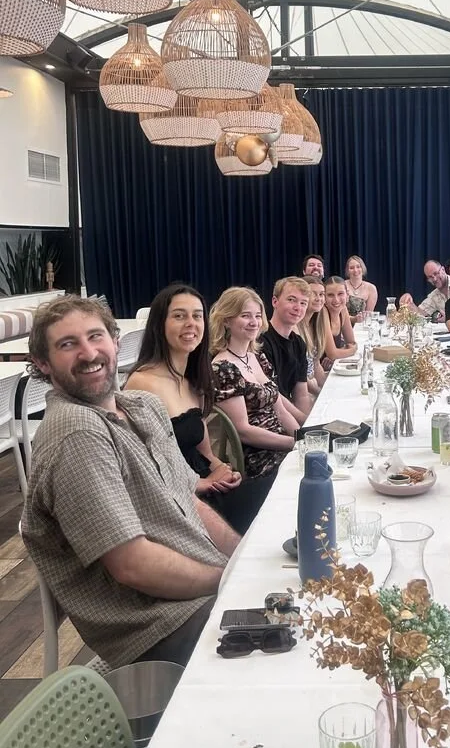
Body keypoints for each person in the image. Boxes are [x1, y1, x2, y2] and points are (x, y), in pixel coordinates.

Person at [20, 296, 238, 669]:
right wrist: (230, 580)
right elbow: (132, 565)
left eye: (95, 336)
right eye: (67, 344)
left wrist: (241, 557)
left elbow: (189, 498)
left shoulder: (142, 406)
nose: (88, 353)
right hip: (161, 629)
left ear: (116, 342)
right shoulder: (76, 432)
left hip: (200, 597)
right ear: (42, 363)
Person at [125, 284, 271, 536]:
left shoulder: (193, 378)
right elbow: (140, 469)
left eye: (196, 315)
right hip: (180, 505)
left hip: (207, 487)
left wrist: (218, 467)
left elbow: (202, 441)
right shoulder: (142, 383)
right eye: (179, 316)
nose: (190, 323)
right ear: (160, 324)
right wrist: (202, 484)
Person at [210, 287, 300, 489]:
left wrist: (303, 438)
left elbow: (281, 410)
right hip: (260, 457)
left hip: (283, 444)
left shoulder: (256, 356)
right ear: (226, 320)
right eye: (245, 316)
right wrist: (294, 445)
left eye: (258, 316)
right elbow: (244, 431)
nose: (254, 322)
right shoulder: (223, 368)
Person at [260, 276, 313, 419]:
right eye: (291, 300)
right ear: (274, 301)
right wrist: (304, 423)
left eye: (303, 303)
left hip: (287, 415)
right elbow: (272, 398)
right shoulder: (260, 341)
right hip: (267, 417)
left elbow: (301, 395)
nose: (298, 308)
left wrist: (309, 424)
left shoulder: (299, 343)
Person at [296, 275, 329, 394]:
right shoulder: (295, 328)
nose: (318, 298)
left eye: (321, 294)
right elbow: (300, 376)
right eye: (313, 294)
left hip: (313, 384)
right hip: (302, 391)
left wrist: (328, 389)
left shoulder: (315, 325)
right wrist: (321, 393)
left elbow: (316, 365)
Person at [322, 276, 358, 362]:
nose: (336, 300)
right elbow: (332, 354)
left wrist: (340, 352)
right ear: (324, 297)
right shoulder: (323, 312)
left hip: (334, 365)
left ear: (347, 295)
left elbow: (351, 342)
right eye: (330, 295)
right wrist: (352, 350)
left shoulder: (343, 309)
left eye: (340, 294)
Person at [344, 255, 378, 320]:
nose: (355, 270)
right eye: (351, 268)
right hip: (343, 324)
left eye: (358, 267)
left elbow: (368, 315)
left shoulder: (371, 288)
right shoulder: (342, 285)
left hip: (362, 326)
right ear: (347, 271)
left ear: (363, 268)